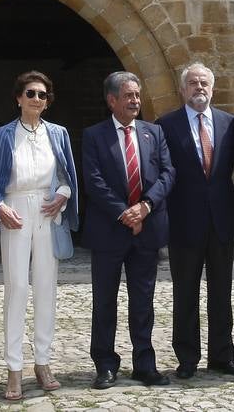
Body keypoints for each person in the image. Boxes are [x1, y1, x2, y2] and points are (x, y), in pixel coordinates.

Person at [0, 71, 80, 401]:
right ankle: (14, 367)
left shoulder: (59, 133)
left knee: (45, 287)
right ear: (18, 97)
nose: (37, 99)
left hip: (47, 209)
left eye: (42, 95)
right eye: (31, 93)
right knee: (17, 288)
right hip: (15, 209)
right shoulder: (1, 135)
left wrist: (64, 195)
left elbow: (67, 173)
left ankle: (42, 362)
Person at [81, 71, 175, 389]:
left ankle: (144, 364)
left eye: (137, 95)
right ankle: (105, 365)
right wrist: (124, 214)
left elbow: (167, 173)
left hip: (147, 230)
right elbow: (93, 180)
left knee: (143, 301)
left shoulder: (153, 133)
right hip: (109, 230)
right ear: (111, 100)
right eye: (128, 95)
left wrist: (145, 207)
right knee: (104, 302)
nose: (135, 100)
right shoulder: (94, 135)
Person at [155, 63, 234, 379]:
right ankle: (187, 357)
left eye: (204, 82)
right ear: (182, 89)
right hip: (183, 220)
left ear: (213, 87)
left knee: (221, 291)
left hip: (220, 218)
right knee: (185, 291)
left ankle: (222, 356)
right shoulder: (165, 125)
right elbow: (162, 173)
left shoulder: (228, 123)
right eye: (192, 83)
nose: (199, 87)